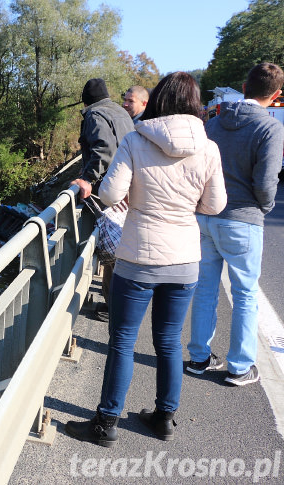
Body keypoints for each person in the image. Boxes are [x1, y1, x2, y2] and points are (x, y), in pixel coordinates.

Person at [65, 72, 227, 446]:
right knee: (169, 341)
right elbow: (215, 204)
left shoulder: (138, 140)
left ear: (157, 101)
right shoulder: (208, 147)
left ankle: (106, 424)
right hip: (185, 259)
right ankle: (164, 419)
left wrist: (135, 199)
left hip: (139, 257)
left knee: (122, 339)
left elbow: (110, 194)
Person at [186, 62, 284, 386]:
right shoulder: (269, 128)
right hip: (242, 219)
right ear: (277, 94)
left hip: (206, 217)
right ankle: (240, 367)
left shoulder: (213, 124)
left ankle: (199, 358)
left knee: (205, 289)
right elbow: (267, 181)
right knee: (245, 294)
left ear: (244, 87)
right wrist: (264, 207)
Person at [71, 78, 134, 322]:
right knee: (119, 245)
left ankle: (115, 308)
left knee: (111, 247)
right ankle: (116, 305)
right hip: (127, 186)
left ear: (86, 101)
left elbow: (103, 149)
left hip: (107, 189)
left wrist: (87, 178)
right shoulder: (121, 112)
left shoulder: (94, 114)